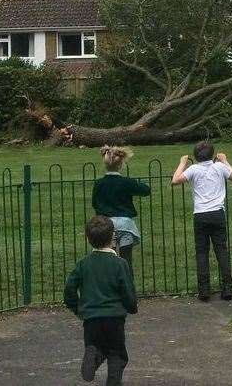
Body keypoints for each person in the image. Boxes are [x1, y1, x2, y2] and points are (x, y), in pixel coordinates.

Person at [64, 215, 137, 386]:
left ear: (88, 239)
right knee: (116, 355)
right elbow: (127, 289)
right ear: (112, 237)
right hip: (114, 318)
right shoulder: (120, 263)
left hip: (91, 319)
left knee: (97, 346)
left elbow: (69, 288)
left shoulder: (83, 264)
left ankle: (94, 355)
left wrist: (78, 308)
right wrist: (131, 306)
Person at [171, 141, 232, 302]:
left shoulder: (193, 169)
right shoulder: (219, 167)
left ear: (196, 156)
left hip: (200, 214)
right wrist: (224, 160)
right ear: (212, 154)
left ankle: (204, 290)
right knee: (221, 250)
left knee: (202, 252)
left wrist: (182, 163)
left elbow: (175, 180)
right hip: (217, 213)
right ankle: (227, 287)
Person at [92, 146, 150, 277]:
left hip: (107, 226)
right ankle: (128, 290)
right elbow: (146, 190)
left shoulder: (99, 183)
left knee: (108, 259)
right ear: (121, 164)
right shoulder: (126, 182)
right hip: (125, 226)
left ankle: (109, 288)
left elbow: (94, 203)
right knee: (126, 260)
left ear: (104, 164)